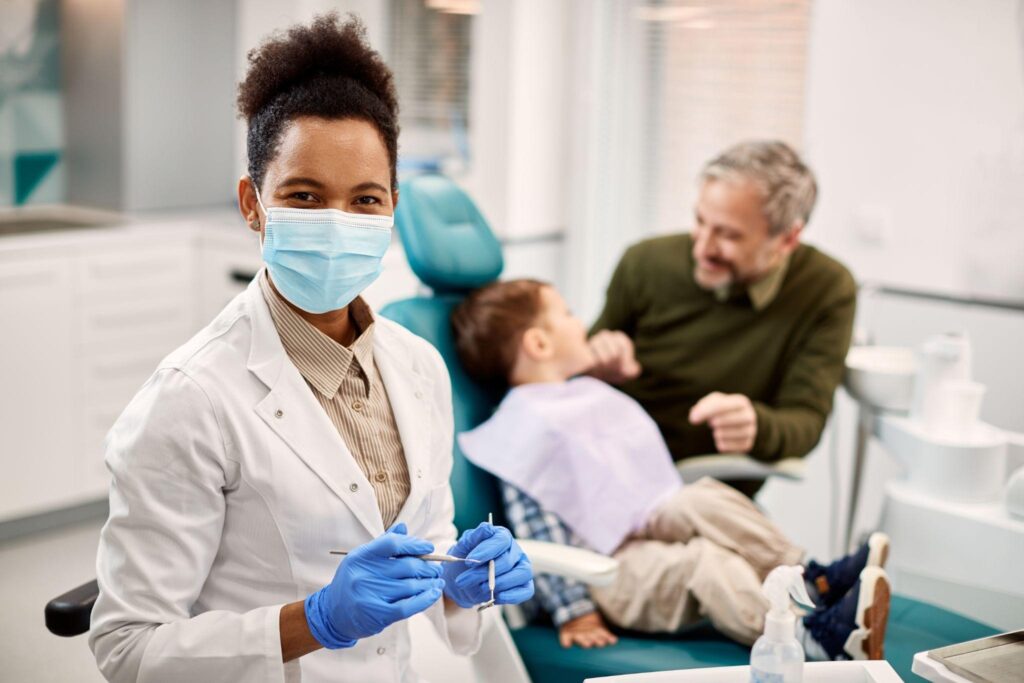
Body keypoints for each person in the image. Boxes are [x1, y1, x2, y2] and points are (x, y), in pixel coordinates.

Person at [88, 15, 533, 682]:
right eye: (304, 196)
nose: (337, 224)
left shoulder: (418, 366)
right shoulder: (190, 399)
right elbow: (127, 647)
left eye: (365, 200)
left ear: (392, 209)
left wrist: (462, 578)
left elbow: (428, 538)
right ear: (253, 203)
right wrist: (315, 620)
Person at [451, 278, 891, 661]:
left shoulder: (579, 394)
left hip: (639, 524)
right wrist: (574, 611)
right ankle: (805, 636)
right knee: (703, 561)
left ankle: (810, 578)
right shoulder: (523, 428)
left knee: (700, 499)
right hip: (601, 569)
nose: (581, 322)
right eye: (566, 314)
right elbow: (537, 532)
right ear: (539, 344)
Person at [588, 141, 857, 497]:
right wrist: (595, 361)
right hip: (610, 477)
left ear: (788, 238)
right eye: (700, 221)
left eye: (729, 235)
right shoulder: (644, 262)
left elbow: (804, 421)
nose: (702, 248)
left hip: (713, 496)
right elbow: (567, 377)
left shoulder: (826, 289)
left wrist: (757, 427)